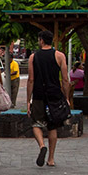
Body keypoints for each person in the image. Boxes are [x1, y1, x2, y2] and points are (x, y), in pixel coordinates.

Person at [25, 30, 70, 167]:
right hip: (54, 94)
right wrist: (67, 97)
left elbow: (31, 80)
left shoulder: (34, 57)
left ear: (42, 40)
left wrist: (28, 100)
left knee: (36, 123)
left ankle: (42, 145)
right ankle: (51, 158)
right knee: (53, 126)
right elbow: (65, 79)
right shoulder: (60, 56)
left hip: (39, 94)